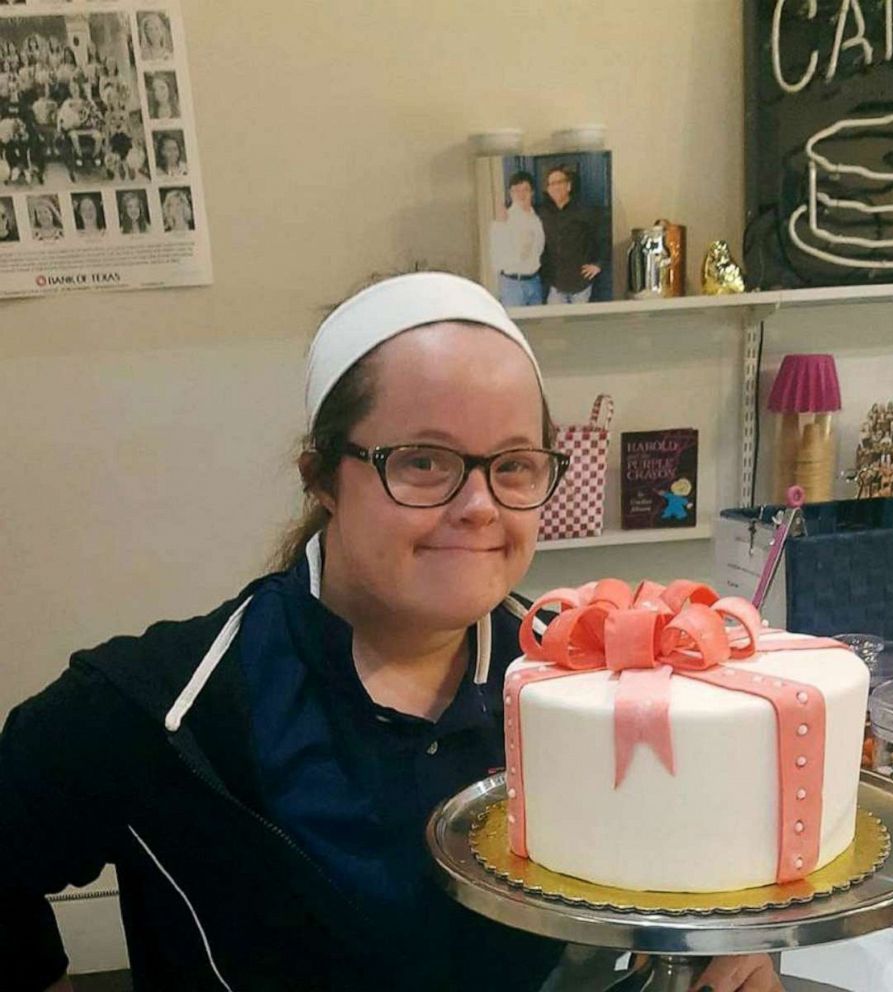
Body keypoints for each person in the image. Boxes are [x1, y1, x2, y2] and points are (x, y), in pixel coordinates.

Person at [0, 272, 782, 992]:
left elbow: (670, 873)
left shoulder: (598, 686)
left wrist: (717, 944)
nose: (480, 505)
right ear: (322, 479)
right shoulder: (163, 710)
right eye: (422, 461)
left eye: (513, 465)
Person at [538, 165, 603, 304]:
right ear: (548, 190)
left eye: (560, 182)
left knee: (579, 325)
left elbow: (602, 238)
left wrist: (598, 264)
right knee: (554, 324)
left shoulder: (585, 211)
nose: (556, 187)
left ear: (568, 186)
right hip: (555, 286)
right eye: (552, 184)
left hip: (581, 286)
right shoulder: (542, 213)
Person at [489, 169, 544, 307]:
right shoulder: (503, 220)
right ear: (510, 193)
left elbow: (539, 250)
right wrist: (520, 254)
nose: (521, 194)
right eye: (516, 190)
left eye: (525, 189)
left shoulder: (537, 219)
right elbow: (496, 260)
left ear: (532, 192)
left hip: (535, 282)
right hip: (513, 285)